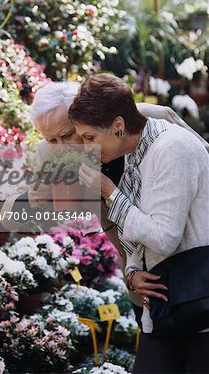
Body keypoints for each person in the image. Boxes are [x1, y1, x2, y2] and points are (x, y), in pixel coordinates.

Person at [68, 74, 209, 373]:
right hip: (167, 307)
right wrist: (133, 273)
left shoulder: (172, 148)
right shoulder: (135, 152)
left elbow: (163, 238)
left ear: (118, 126)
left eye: (89, 138)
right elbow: (140, 229)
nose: (85, 148)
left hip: (199, 307)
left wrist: (109, 192)